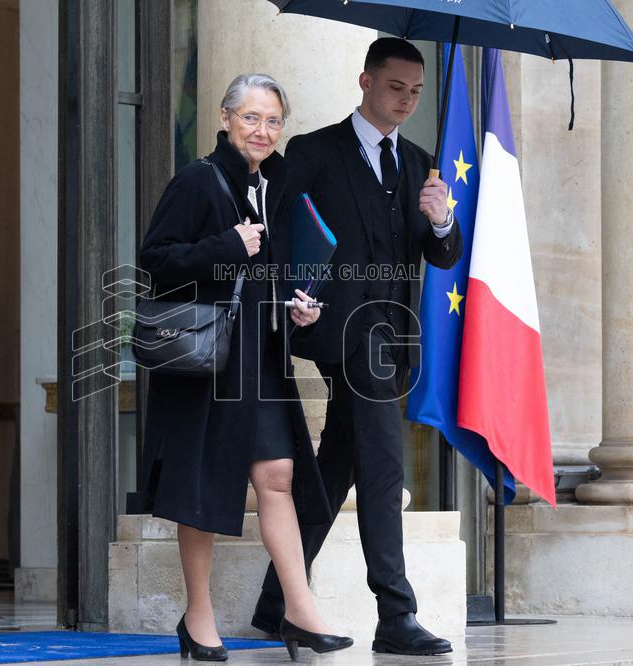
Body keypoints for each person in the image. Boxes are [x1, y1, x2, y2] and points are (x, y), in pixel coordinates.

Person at [250, 38, 464, 656]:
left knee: (335, 467)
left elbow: (442, 254)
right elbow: (287, 238)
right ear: (365, 81)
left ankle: (276, 606)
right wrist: (294, 300)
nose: (407, 101)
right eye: (396, 88)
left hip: (391, 339)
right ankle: (396, 615)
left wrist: (442, 218)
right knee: (384, 466)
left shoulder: (421, 162)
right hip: (342, 332)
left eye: (417, 92)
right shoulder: (314, 152)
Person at [135, 73, 353, 662]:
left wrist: (293, 303)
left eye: (273, 120)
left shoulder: (270, 187)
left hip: (259, 358)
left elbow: (258, 276)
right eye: (251, 118)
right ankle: (198, 616)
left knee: (278, 474)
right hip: (210, 364)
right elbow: (155, 262)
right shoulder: (199, 181)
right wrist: (226, 246)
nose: (262, 130)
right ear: (227, 119)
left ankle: (300, 612)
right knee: (202, 488)